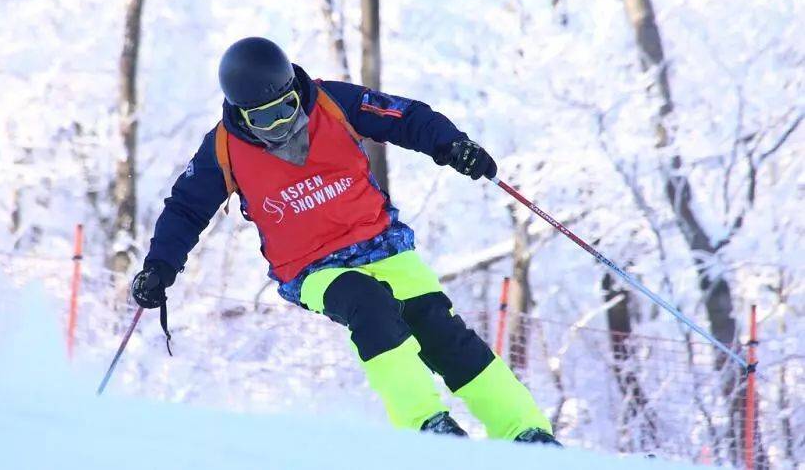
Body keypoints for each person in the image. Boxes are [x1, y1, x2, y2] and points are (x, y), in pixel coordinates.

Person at [132, 36, 559, 445]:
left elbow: (405, 117)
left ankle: (524, 430)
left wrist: (452, 145)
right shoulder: (223, 149)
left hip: (382, 244)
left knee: (442, 334)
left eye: (286, 108)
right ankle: (427, 424)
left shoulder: (333, 102)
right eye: (262, 118)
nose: (279, 125)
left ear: (295, 90)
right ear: (241, 113)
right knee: (367, 304)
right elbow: (185, 209)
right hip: (312, 267)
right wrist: (159, 267)